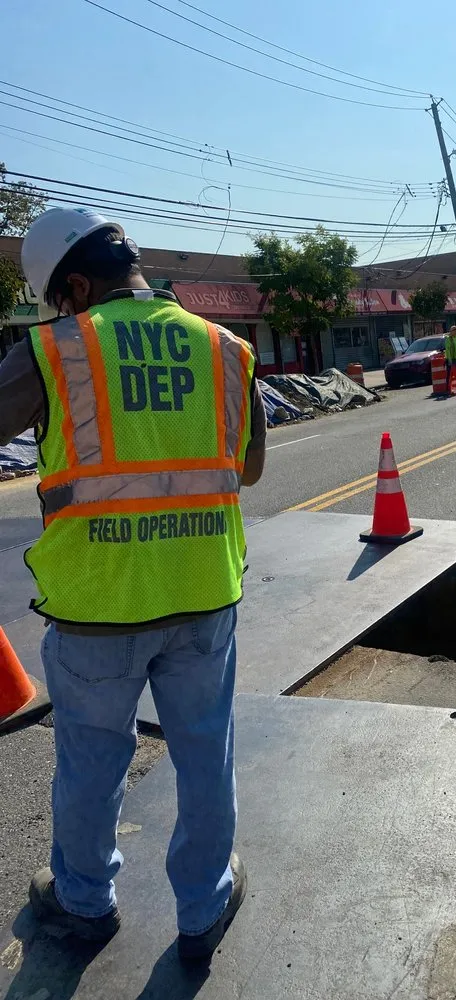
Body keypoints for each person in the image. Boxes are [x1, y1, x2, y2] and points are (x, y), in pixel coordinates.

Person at [0, 207, 267, 962]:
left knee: (91, 758)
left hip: (98, 605)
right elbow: (246, 469)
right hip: (203, 592)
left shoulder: (54, 350)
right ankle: (205, 904)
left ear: (76, 284)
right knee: (205, 751)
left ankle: (84, 902)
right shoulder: (226, 349)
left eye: (59, 299)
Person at [444, 325, 456, 394]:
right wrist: (449, 360)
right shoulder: (448, 339)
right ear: (453, 331)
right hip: (452, 360)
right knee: (450, 375)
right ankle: (449, 389)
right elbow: (448, 350)